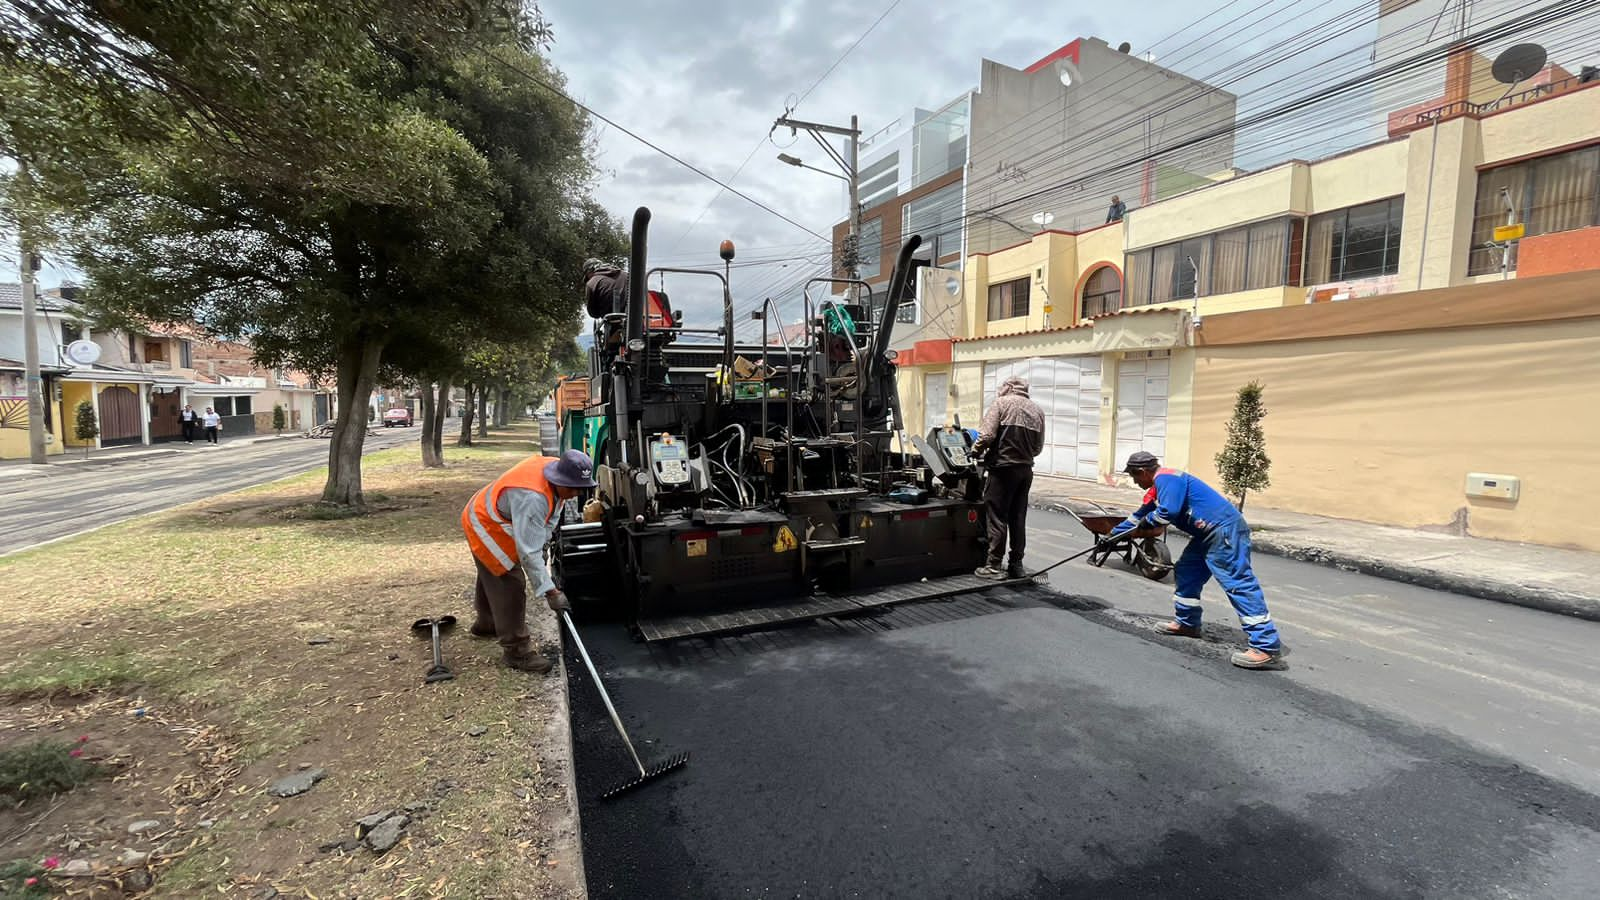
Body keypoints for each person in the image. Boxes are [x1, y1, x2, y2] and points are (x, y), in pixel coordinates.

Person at [1107, 451, 1284, 670]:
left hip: (1224, 530)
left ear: (1142, 471)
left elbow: (1167, 513)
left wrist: (1148, 522)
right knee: (1187, 571)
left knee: (1237, 583)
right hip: (1206, 534)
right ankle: (1187, 623)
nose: (1134, 482)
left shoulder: (1167, 478)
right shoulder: (1159, 486)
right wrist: (1112, 536)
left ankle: (1265, 646)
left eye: (1134, 477)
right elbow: (1139, 515)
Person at [461, 449, 596, 673]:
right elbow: (527, 553)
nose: (575, 493)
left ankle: (486, 624)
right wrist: (550, 591)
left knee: (492, 570)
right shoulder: (532, 497)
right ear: (559, 479)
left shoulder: (559, 471)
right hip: (485, 522)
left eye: (580, 489)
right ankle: (517, 652)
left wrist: (543, 544)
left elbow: (549, 518)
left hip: (496, 512)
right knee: (509, 580)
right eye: (572, 488)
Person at [973, 375, 1044, 580]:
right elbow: (1038, 447)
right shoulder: (1037, 410)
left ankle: (993, 566)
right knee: (1018, 517)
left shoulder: (1001, 404)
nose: (999, 390)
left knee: (997, 517)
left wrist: (974, 452)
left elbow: (986, 436)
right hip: (1025, 470)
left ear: (1009, 387)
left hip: (1003, 469)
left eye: (1002, 387)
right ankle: (1016, 565)